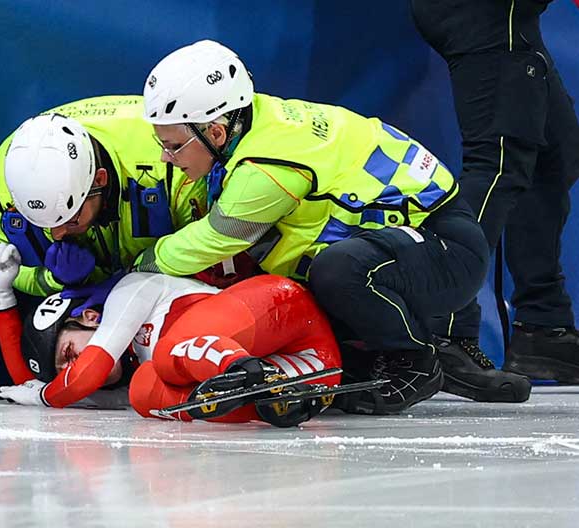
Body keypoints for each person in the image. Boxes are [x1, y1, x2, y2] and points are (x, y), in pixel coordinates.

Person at [131, 39, 491, 415]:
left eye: (173, 146)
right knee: (303, 291)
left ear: (216, 133)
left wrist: (143, 263)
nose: (164, 157)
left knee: (337, 270)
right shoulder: (252, 121)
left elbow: (217, 238)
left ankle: (415, 361)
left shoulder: (267, 165)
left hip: (447, 248)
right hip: (411, 247)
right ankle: (399, 356)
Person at [0, 240, 343, 427]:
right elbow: (27, 381)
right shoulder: (125, 377)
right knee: (143, 393)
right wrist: (0, 297)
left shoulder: (130, 291)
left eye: (69, 354)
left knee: (168, 355)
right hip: (316, 374)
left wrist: (43, 396)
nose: (73, 369)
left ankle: (246, 374)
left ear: (90, 317)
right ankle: (272, 400)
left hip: (285, 311)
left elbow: (81, 377)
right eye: (65, 371)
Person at [411, 0, 579, 393]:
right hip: (485, 10)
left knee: (553, 154)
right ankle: (445, 331)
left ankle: (543, 328)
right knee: (498, 162)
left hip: (512, 16)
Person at [0, 96, 249, 316]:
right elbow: (8, 270)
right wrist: (55, 279)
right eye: (43, 224)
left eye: (70, 219)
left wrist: (129, 283)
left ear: (100, 180)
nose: (58, 235)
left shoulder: (175, 161)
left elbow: (210, 255)